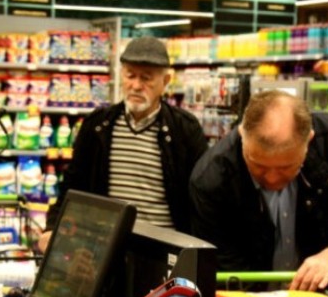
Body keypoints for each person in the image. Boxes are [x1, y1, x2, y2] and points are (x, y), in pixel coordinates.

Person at [189, 90, 328, 291]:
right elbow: (223, 266)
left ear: (309, 140)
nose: (272, 178)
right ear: (242, 135)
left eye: (286, 167)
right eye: (259, 166)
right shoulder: (211, 178)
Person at [40, 36, 206, 250]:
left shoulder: (184, 129)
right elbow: (72, 185)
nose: (136, 85)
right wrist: (52, 227)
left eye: (146, 78)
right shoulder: (97, 125)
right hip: (105, 248)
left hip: (164, 252)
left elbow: (201, 197)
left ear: (165, 82)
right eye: (130, 76)